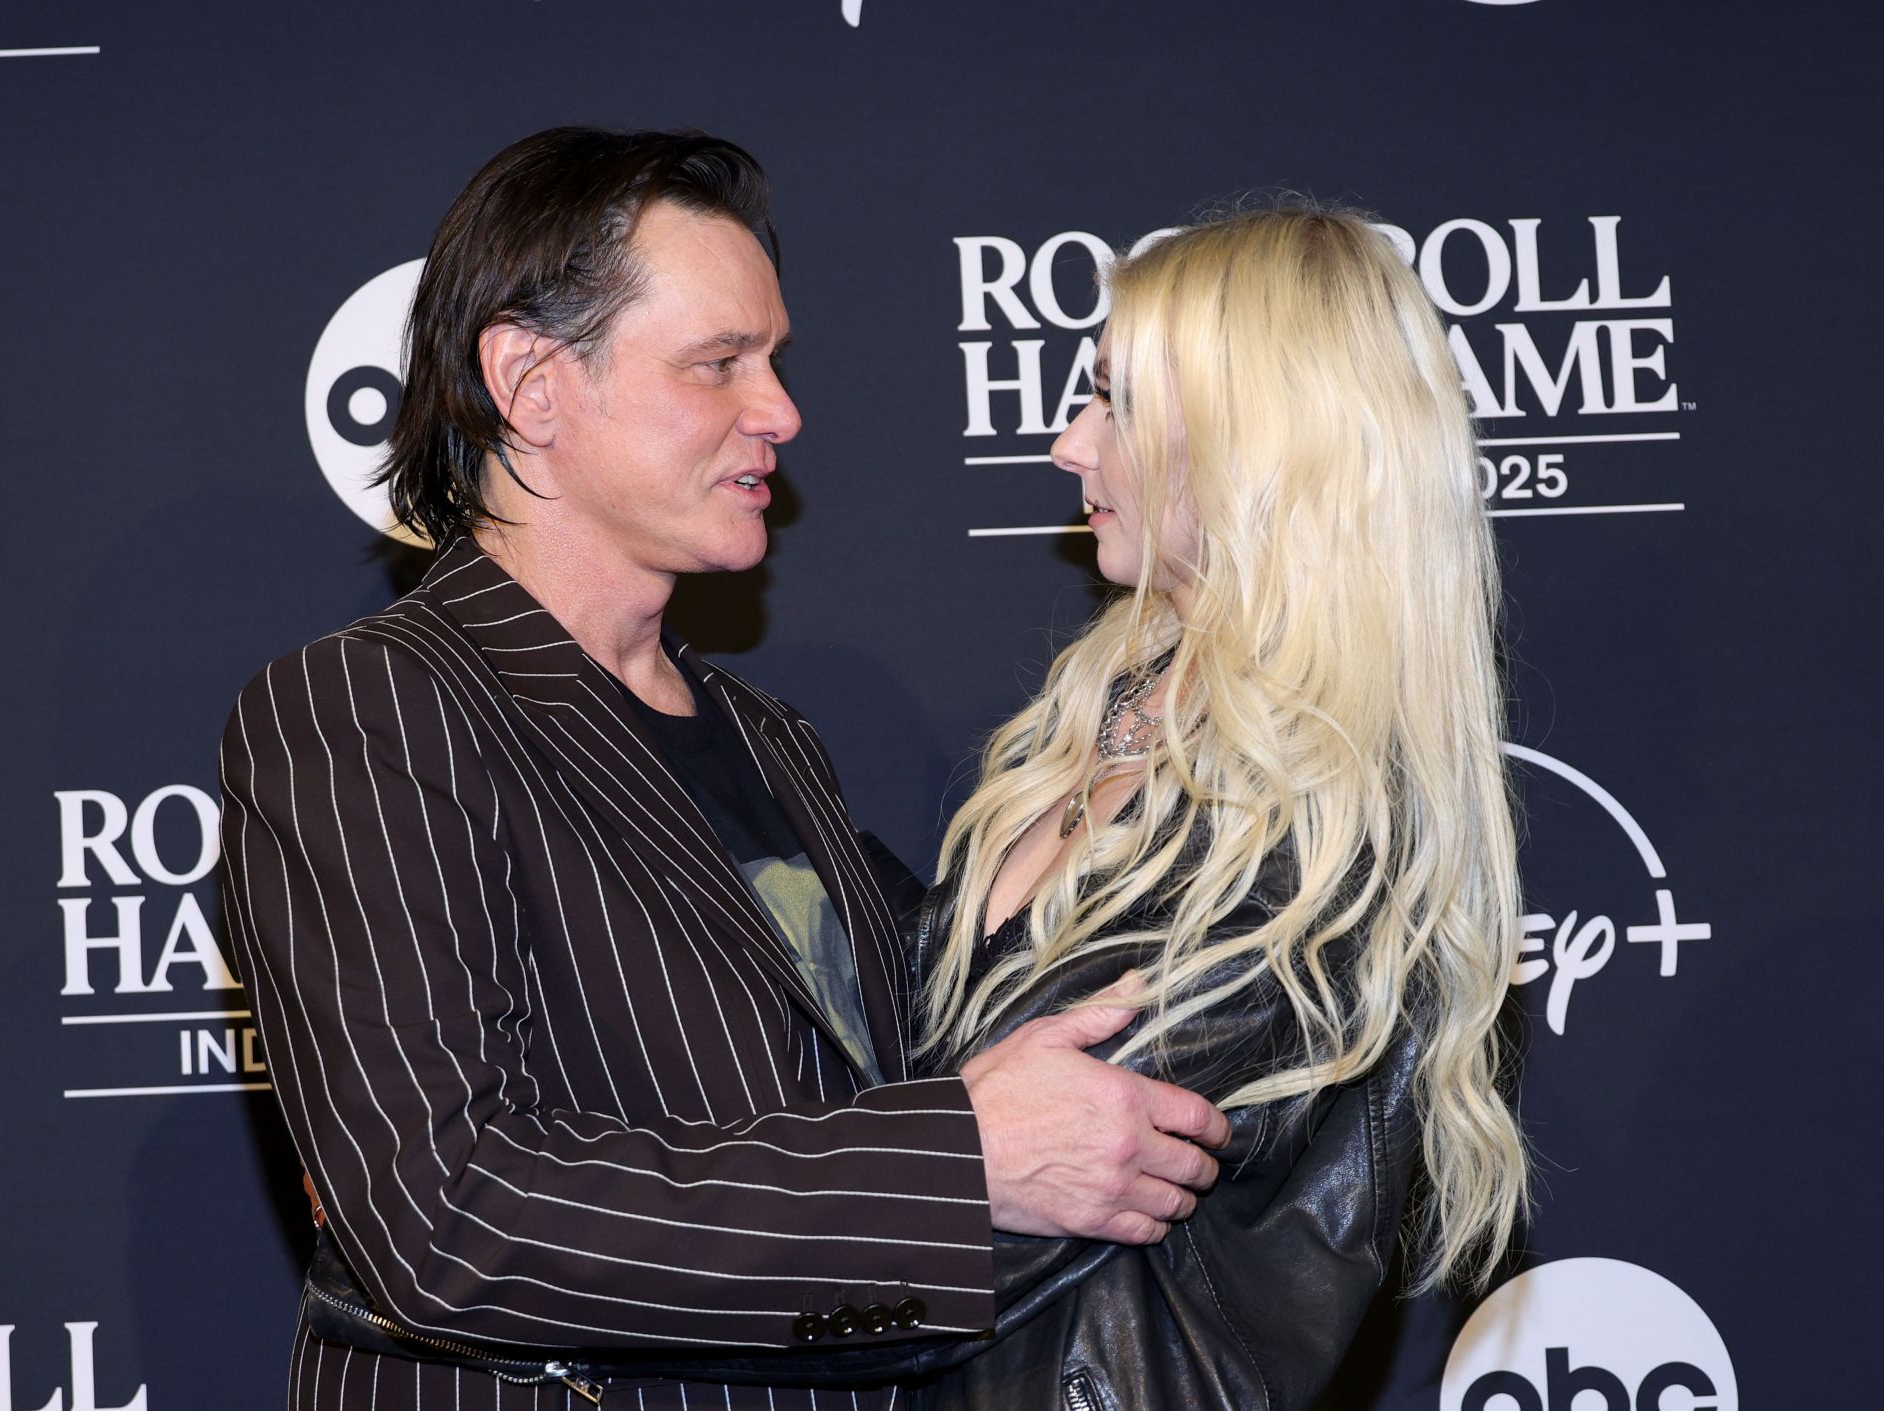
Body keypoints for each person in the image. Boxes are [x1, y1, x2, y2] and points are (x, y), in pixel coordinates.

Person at [218, 127, 1230, 1411]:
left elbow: (957, 1042)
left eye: (774, 360)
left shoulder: (764, 736)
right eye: (718, 365)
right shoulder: (366, 709)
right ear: (532, 385)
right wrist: (952, 1170)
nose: (782, 411)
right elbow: (446, 1220)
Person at [550, 203, 1530, 1408]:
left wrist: (484, 1262)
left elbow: (949, 1246)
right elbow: (889, 1059)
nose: (1071, 443)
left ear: (1261, 445)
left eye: (1118, 400)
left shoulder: (1315, 848)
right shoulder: (1109, 722)